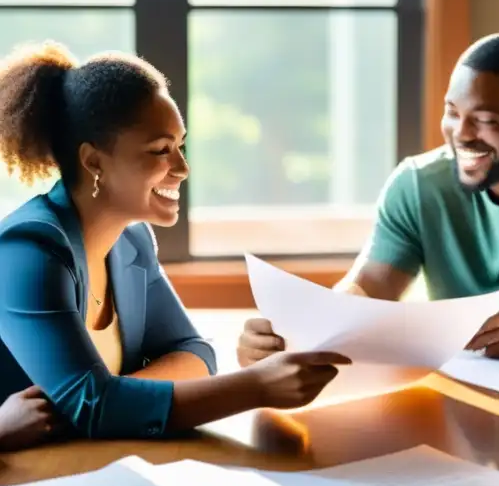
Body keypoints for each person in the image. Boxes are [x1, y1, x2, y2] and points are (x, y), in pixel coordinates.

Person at [0, 41, 348, 448]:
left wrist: (110, 400)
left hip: (96, 465)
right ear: (94, 162)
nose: (182, 169)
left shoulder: (132, 239)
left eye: (179, 146)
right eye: (160, 151)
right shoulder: (28, 250)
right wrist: (254, 388)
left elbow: (196, 354)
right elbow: (94, 406)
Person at [238, 33, 499, 367]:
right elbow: (368, 289)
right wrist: (296, 334)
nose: (461, 132)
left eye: (485, 120)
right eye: (452, 112)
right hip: (459, 382)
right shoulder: (417, 185)